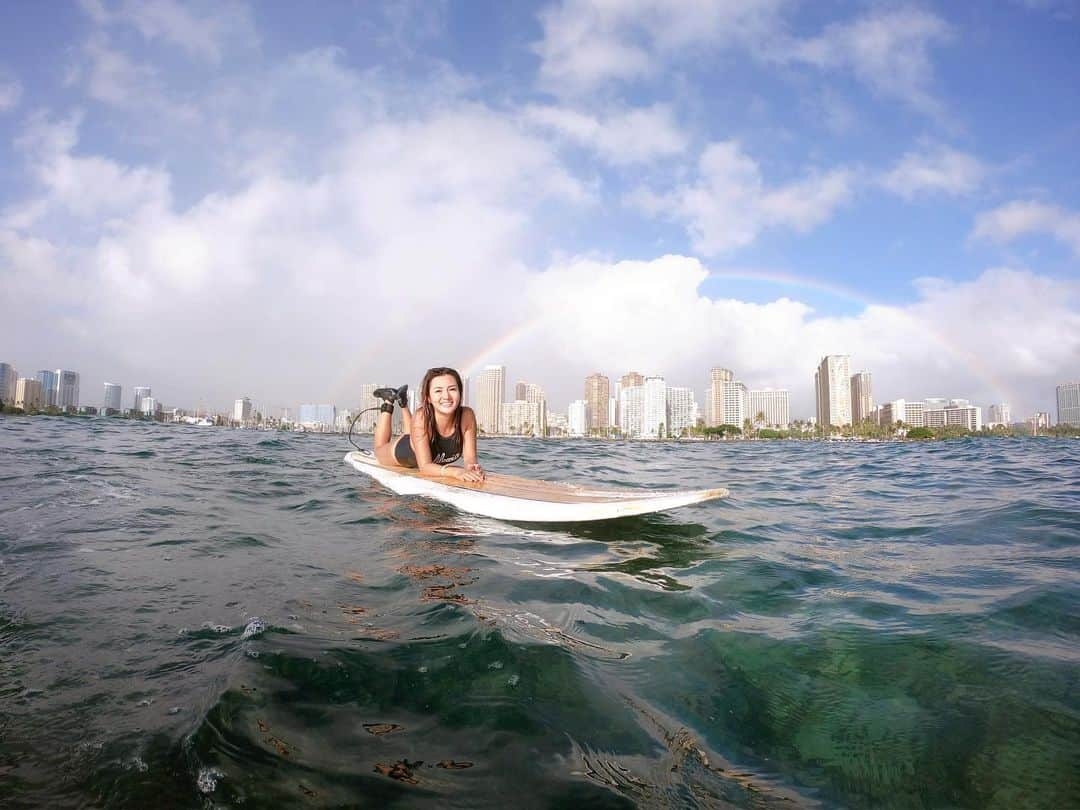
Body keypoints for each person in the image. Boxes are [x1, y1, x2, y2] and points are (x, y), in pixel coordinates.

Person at [371, 367, 485, 482]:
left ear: (460, 393)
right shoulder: (421, 417)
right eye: (438, 391)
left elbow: (470, 457)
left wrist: (471, 466)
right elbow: (425, 467)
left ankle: (402, 401)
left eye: (452, 389)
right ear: (428, 398)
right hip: (404, 451)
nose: (446, 396)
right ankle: (388, 400)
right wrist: (455, 472)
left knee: (412, 431)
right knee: (378, 451)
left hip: (417, 436)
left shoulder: (467, 415)